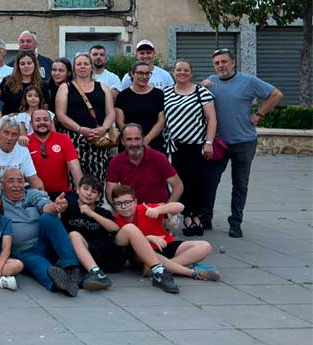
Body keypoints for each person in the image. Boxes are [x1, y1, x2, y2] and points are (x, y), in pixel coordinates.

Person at [202, 48, 284, 238]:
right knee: (210, 180)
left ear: (233, 63)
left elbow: (276, 94)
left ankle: (235, 222)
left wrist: (259, 114)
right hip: (219, 142)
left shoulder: (248, 81)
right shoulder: (210, 82)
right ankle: (206, 217)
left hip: (244, 142)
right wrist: (200, 85)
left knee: (240, 184)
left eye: (224, 62)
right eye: (217, 63)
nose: (220, 66)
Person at [60, 175, 182, 293]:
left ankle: (159, 272)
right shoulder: (68, 207)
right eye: (85, 189)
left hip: (108, 254)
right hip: (85, 254)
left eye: (94, 191)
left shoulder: (103, 212)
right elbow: (53, 211)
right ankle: (96, 273)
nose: (88, 193)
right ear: (77, 190)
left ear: (98, 197)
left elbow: (115, 228)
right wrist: (57, 208)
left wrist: (91, 213)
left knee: (129, 228)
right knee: (74, 235)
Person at [110, 185, 221, 282]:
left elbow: (180, 207)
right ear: (114, 205)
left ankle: (162, 269)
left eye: (127, 202)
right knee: (151, 254)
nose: (124, 207)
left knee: (205, 246)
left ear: (135, 202)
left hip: (165, 244)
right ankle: (190, 272)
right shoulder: (114, 220)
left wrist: (160, 210)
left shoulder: (145, 209)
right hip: (143, 254)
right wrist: (148, 238)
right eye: (119, 204)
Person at [0, 168, 82, 296]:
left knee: (48, 217)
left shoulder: (31, 194)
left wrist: (56, 207)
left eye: (19, 181)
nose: (16, 185)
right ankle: (59, 283)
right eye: (11, 181)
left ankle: (72, 267)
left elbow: (45, 205)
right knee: (39, 265)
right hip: (25, 251)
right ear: (2, 183)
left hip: (45, 242)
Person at [163, 60, 218, 236]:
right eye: (179, 70)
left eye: (186, 70)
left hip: (196, 145)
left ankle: (197, 216)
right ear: (173, 73)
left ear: (191, 73)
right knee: (180, 183)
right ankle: (187, 216)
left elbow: (212, 119)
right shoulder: (166, 93)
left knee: (198, 182)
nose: (182, 73)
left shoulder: (202, 92)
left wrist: (209, 142)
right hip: (175, 146)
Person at [55, 53, 116, 182]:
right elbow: (60, 114)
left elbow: (111, 113)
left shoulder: (103, 87)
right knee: (72, 178)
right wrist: (80, 129)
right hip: (73, 139)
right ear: (74, 68)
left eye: (86, 64)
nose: (82, 67)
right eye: (79, 64)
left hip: (97, 139)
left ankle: (96, 202)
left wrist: (104, 129)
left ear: (91, 67)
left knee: (97, 178)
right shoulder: (65, 88)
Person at [106, 123, 184, 206]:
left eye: (137, 139)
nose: (134, 143)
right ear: (122, 141)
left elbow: (178, 186)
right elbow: (109, 192)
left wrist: (167, 210)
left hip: (159, 211)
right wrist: (122, 211)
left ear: (143, 139)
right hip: (132, 212)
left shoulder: (158, 157)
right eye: (129, 139)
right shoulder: (116, 161)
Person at [27, 110, 82, 196]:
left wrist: (80, 189)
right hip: (34, 195)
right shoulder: (25, 142)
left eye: (45, 120)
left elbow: (74, 165)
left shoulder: (63, 139)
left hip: (62, 194)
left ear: (51, 122)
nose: (42, 122)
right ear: (31, 123)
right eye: (38, 120)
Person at [115, 62, 167, 153]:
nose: (144, 77)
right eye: (140, 73)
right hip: (130, 145)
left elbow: (161, 120)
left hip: (154, 143)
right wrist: (135, 140)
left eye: (147, 73)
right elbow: (120, 122)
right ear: (132, 74)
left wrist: (146, 140)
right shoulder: (123, 96)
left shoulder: (158, 94)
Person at [0, 51, 49, 115]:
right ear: (18, 66)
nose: (26, 66)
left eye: (29, 63)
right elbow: (0, 106)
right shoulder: (8, 82)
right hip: (11, 122)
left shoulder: (42, 85)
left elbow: (44, 108)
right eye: (22, 64)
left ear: (35, 65)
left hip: (33, 122)